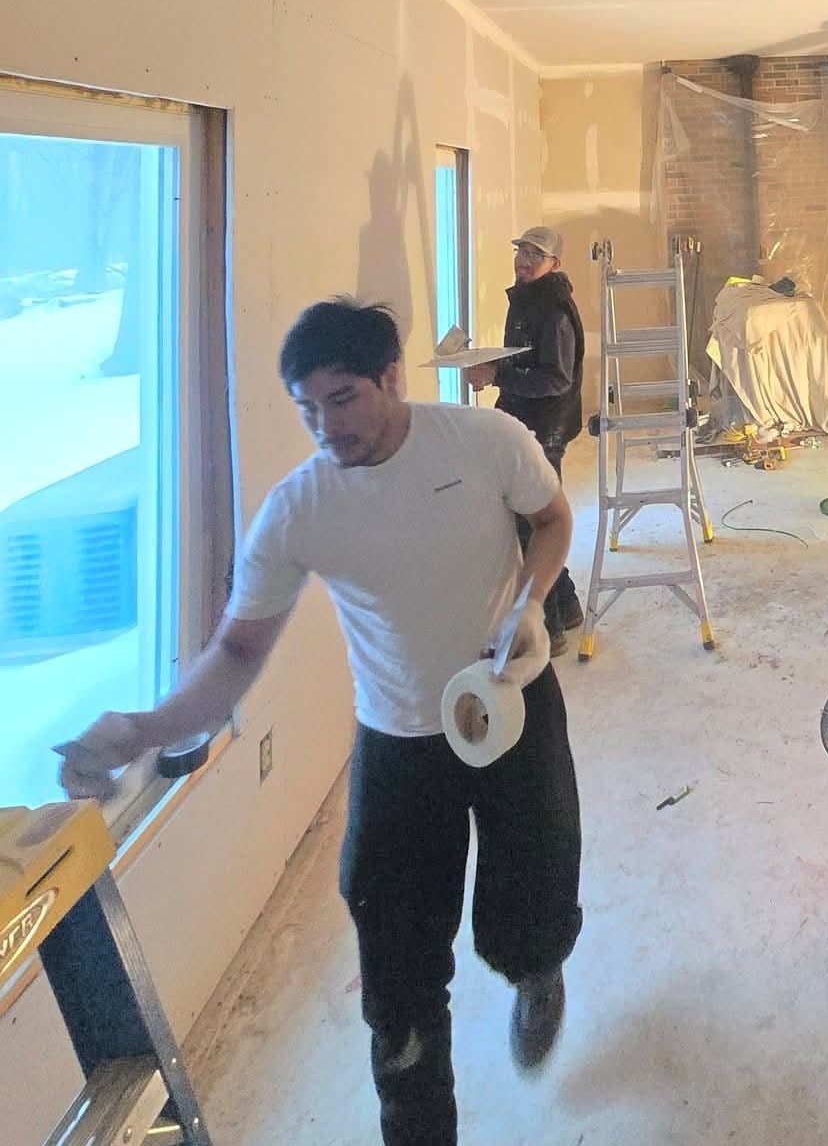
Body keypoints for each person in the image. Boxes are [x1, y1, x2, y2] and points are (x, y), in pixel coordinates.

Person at [55, 298, 582, 1146]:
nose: (326, 426)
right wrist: (144, 729)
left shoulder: (483, 442)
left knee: (536, 884)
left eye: (343, 399)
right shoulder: (299, 509)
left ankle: (536, 968)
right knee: (398, 979)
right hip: (399, 738)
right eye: (307, 408)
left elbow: (553, 520)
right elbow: (236, 652)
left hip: (510, 701)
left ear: (391, 377)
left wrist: (529, 602)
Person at [468, 226, 585, 656]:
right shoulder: (526, 298)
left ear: (555, 263)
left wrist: (498, 376)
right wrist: (492, 368)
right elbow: (526, 361)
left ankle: (548, 628)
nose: (525, 260)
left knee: (533, 527)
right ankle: (568, 607)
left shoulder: (553, 310)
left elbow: (557, 378)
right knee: (537, 520)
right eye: (522, 251)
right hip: (528, 423)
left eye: (536, 254)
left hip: (544, 429)